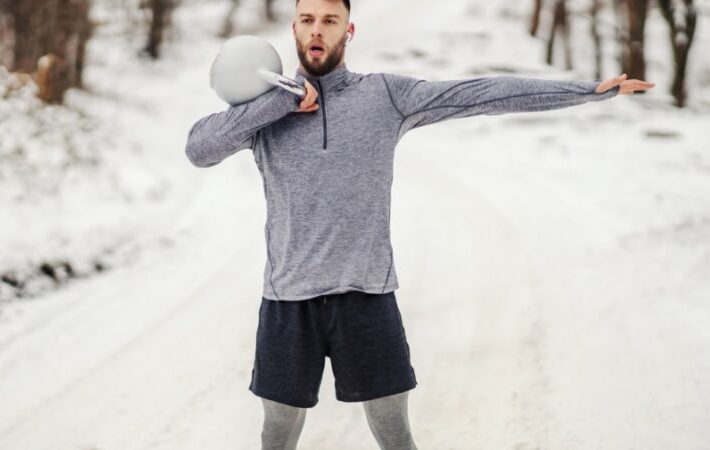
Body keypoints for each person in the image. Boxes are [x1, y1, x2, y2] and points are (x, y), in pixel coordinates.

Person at [185, 0, 656, 448]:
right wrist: (280, 103)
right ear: (293, 29)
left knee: (395, 437)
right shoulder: (264, 108)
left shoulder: (385, 95)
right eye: (306, 19)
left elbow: (477, 95)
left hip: (367, 296)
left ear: (348, 31)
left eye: (329, 20)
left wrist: (587, 91)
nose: (316, 29)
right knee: (276, 438)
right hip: (287, 300)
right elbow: (199, 149)